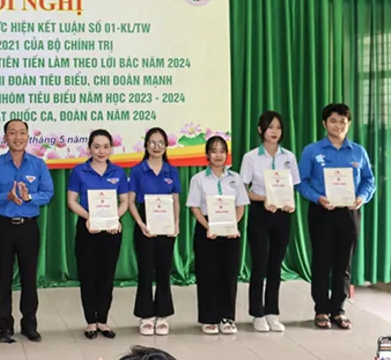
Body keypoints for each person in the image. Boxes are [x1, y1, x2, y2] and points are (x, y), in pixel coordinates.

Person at [297, 103, 375, 330]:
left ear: (348, 124)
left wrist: (361, 198)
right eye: (333, 121)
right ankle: (321, 309)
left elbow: (369, 180)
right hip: (322, 211)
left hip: (349, 213)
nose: (338, 125)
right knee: (321, 261)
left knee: (344, 263)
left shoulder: (358, 152)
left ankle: (339, 309)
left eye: (343, 121)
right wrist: (318, 198)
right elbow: (301, 182)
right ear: (324, 124)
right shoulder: (312, 151)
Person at [0, 119, 54, 344]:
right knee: (3, 279)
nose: (18, 137)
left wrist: (29, 196)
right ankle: (5, 327)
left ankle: (29, 325)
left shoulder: (38, 165)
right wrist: (7, 197)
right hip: (3, 227)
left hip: (28, 228)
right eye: (12, 133)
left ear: (28, 137)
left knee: (29, 278)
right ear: (5, 138)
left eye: (22, 133)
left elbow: (48, 193)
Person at [240, 111, 299, 333]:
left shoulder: (289, 157)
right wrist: (264, 199)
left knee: (276, 265)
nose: (274, 132)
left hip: (282, 215)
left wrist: (290, 203)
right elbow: (243, 191)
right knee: (259, 264)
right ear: (260, 129)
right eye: (270, 127)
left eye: (278, 127)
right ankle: (257, 313)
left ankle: (272, 312)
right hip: (260, 213)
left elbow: (292, 187)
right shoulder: (251, 157)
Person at [66, 129, 128, 340]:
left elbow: (125, 201)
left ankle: (103, 319)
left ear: (111, 148)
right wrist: (89, 217)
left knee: (107, 275)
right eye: (97, 147)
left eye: (106, 147)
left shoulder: (118, 172)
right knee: (88, 275)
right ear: (89, 148)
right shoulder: (79, 171)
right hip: (88, 229)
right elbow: (72, 201)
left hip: (111, 231)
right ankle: (90, 321)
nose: (101, 151)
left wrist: (115, 218)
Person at [186, 136, 249, 335]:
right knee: (207, 274)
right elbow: (194, 207)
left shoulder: (235, 178)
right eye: (214, 151)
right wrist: (208, 227)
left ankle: (226, 317)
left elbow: (241, 206)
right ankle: (209, 318)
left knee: (229, 274)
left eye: (222, 151)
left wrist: (233, 225)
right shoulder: (198, 179)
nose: (218, 155)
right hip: (207, 230)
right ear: (207, 154)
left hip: (230, 231)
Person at [128, 127, 180, 336]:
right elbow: (131, 201)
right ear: (146, 146)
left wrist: (176, 223)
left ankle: (163, 315)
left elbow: (175, 200)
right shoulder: (137, 170)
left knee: (164, 271)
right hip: (145, 222)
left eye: (160, 143)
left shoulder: (171, 171)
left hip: (166, 223)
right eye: (152, 142)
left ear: (166, 146)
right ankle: (146, 315)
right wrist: (140, 223)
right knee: (146, 271)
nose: (156, 147)